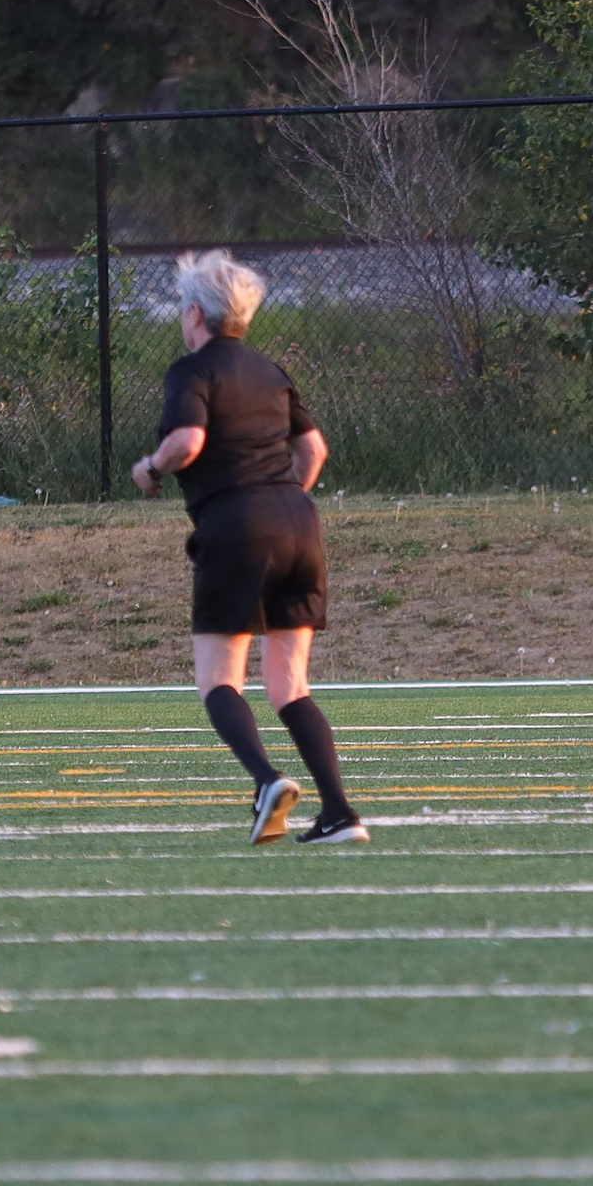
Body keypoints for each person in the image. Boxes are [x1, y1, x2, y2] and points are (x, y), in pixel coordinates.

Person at [135, 250, 367, 845]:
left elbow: (188, 441)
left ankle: (267, 781)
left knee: (219, 680)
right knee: (290, 686)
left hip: (236, 525)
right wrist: (282, 500)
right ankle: (340, 813)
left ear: (195, 313)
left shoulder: (192, 371)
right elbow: (313, 451)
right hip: (300, 522)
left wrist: (150, 467)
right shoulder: (271, 370)